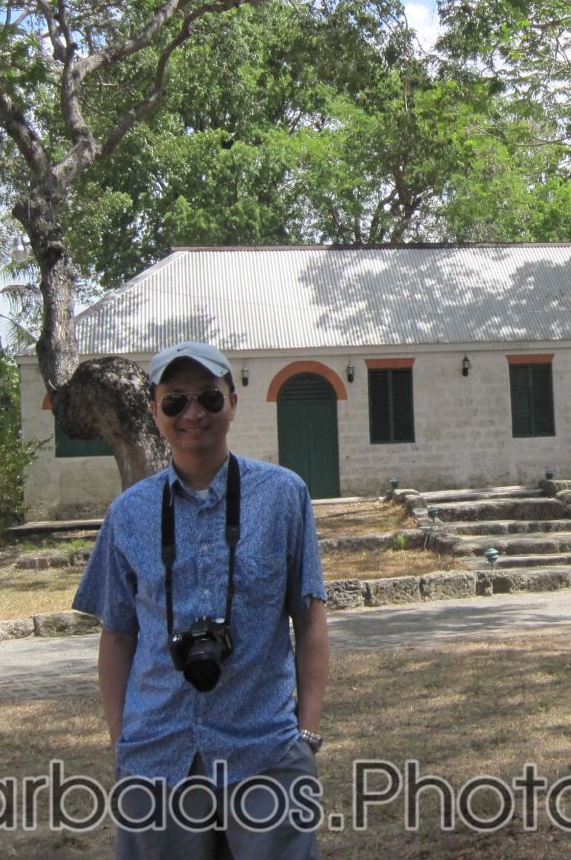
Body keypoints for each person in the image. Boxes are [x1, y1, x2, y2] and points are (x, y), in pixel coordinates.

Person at [73, 341, 329, 859]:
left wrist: (307, 732)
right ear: (154, 410)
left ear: (233, 402)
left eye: (209, 398)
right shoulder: (128, 513)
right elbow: (117, 633)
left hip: (265, 747)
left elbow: (309, 617)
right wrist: (123, 741)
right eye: (175, 401)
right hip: (157, 753)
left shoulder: (284, 496)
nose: (193, 414)